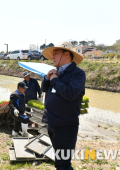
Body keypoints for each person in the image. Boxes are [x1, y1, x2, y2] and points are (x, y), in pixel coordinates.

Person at [41, 41, 86, 170]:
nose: (53, 56)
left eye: (56, 53)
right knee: (59, 159)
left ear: (67, 54)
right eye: (53, 54)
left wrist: (54, 79)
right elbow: (44, 88)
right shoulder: (57, 72)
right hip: (52, 122)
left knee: (63, 164)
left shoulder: (77, 74)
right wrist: (47, 77)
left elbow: (70, 93)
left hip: (65, 125)